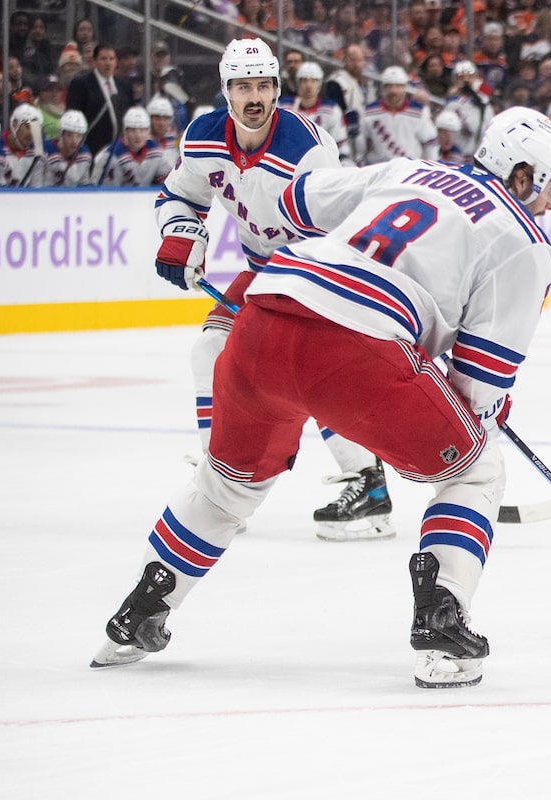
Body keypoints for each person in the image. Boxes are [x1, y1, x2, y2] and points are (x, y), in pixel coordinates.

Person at [90, 107, 551, 689]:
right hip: (357, 354)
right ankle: (441, 622)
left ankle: (138, 613)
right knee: (475, 469)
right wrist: (480, 412)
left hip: (262, 318)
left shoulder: (411, 169)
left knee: (226, 488)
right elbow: (480, 384)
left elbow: (295, 201)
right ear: (521, 175)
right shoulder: (524, 240)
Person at [152, 37, 396, 541]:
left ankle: (370, 488)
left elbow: (339, 228)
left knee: (306, 376)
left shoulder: (307, 149)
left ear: (277, 88)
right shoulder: (202, 138)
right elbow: (180, 194)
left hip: (318, 271)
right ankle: (221, 480)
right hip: (264, 269)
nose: (255, 96)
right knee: (210, 351)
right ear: (226, 91)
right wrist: (181, 234)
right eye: (243, 86)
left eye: (264, 84)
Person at [64, 43, 135, 157]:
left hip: (119, 151)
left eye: (111, 59)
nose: (108, 63)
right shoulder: (81, 84)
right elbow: (72, 115)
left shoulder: (125, 85)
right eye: (103, 59)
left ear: (116, 62)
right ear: (95, 61)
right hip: (90, 149)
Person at [279, 61, 352, 164]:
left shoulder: (332, 110)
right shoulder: (283, 107)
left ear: (320, 84)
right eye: (304, 80)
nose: (308, 85)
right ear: (298, 83)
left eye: (313, 81)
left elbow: (342, 146)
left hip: (323, 166)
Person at [362, 66, 437, 165]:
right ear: (383, 88)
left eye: (398, 86)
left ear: (405, 88)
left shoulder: (420, 112)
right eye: (389, 86)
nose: (393, 91)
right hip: (378, 170)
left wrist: (431, 168)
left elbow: (430, 143)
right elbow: (361, 147)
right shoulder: (369, 112)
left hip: (409, 170)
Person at [92, 106, 173, 186]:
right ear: (125, 132)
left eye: (142, 130)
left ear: (148, 132)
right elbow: (107, 193)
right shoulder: (112, 156)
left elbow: (168, 182)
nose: (138, 136)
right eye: (133, 130)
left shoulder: (155, 151)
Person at [443, 61, 495, 158]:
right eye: (461, 77)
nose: (466, 81)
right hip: (456, 155)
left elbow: (488, 129)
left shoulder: (484, 101)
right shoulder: (451, 103)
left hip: (478, 155)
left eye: (469, 77)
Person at [0, 103, 50, 187]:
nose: (31, 133)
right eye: (27, 127)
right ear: (14, 124)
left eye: (35, 128)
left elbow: (36, 190)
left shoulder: (39, 154)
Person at [45, 109, 93, 186]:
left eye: (79, 136)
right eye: (69, 135)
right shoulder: (46, 152)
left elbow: (85, 184)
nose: (74, 141)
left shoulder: (85, 154)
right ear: (61, 134)